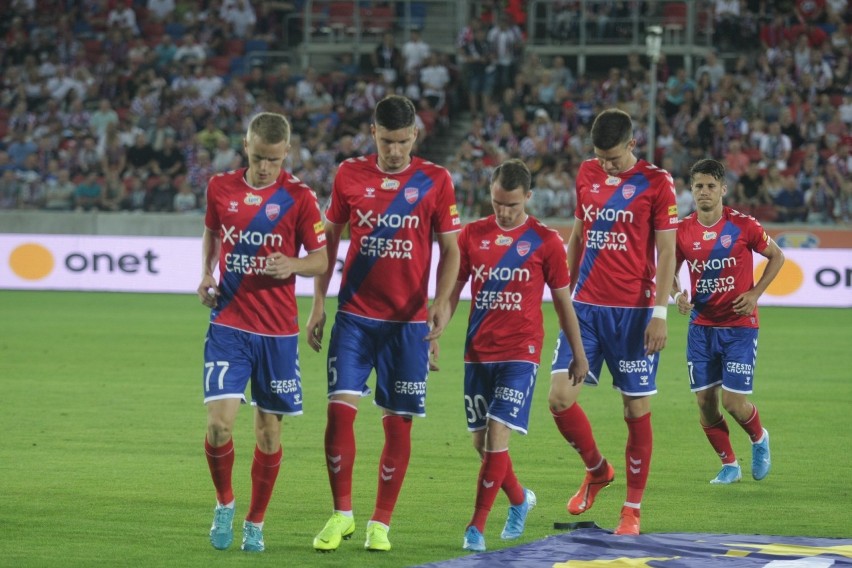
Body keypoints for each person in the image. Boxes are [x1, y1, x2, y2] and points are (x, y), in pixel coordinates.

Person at [307, 95, 461, 553]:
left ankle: (381, 523)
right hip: (354, 318)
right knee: (338, 414)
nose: (394, 150)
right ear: (372, 133)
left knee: (398, 425)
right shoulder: (349, 174)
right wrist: (318, 302)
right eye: (387, 140)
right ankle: (342, 514)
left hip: (408, 324)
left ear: (415, 135)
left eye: (402, 141)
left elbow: (451, 249)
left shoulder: (436, 180)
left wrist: (442, 304)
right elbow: (328, 241)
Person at [197, 112, 328, 553]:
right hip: (229, 323)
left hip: (276, 333)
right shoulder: (221, 187)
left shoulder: (300, 198)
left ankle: (255, 521)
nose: (265, 167)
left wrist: (292, 265)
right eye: (257, 157)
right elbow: (212, 234)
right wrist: (205, 274)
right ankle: (225, 504)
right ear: (246, 146)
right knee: (218, 426)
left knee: (269, 433)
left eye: (273, 159)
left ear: (286, 153)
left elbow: (321, 260)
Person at [548, 108, 678, 536]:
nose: (606, 165)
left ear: (633, 145)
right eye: (601, 158)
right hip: (584, 307)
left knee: (635, 408)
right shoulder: (586, 174)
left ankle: (632, 510)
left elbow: (666, 254)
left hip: (635, 315)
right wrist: (560, 289)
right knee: (559, 399)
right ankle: (598, 470)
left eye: (614, 158)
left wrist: (660, 314)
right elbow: (579, 233)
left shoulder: (657, 183)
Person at [450, 159, 589, 552]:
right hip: (477, 353)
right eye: (497, 203)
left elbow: (563, 302)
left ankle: (475, 528)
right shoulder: (471, 235)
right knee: (481, 444)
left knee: (496, 437)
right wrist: (435, 327)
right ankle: (518, 499)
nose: (504, 211)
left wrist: (577, 353)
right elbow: (450, 287)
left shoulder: (545, 241)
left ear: (528, 197)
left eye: (511, 204)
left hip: (521, 353)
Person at [672, 158, 784, 484]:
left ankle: (759, 437)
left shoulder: (744, 225)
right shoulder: (682, 230)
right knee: (706, 404)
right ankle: (729, 464)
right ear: (691, 191)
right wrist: (677, 294)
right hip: (701, 327)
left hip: (739, 326)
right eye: (698, 186)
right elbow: (667, 271)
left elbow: (777, 256)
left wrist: (755, 294)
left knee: (733, 402)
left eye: (710, 186)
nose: (704, 192)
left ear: (723, 188)